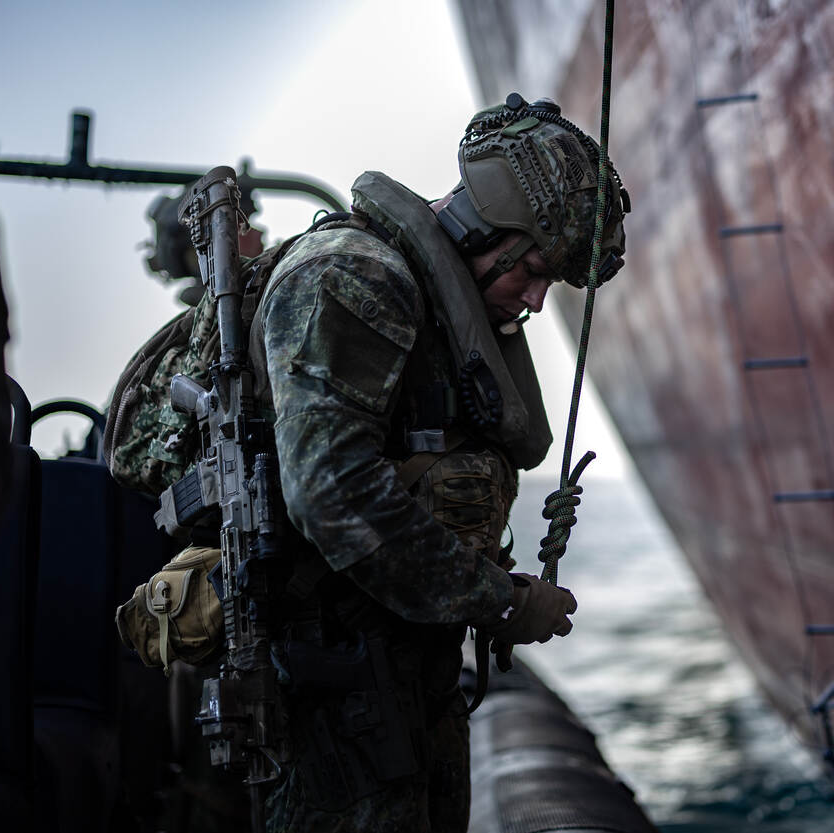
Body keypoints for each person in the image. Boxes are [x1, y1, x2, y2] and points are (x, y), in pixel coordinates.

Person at [247, 93, 629, 831]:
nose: (537, 300)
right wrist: (502, 601)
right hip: (330, 692)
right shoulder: (355, 277)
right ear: (488, 229)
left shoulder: (431, 308)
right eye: (534, 270)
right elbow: (332, 494)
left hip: (397, 678)